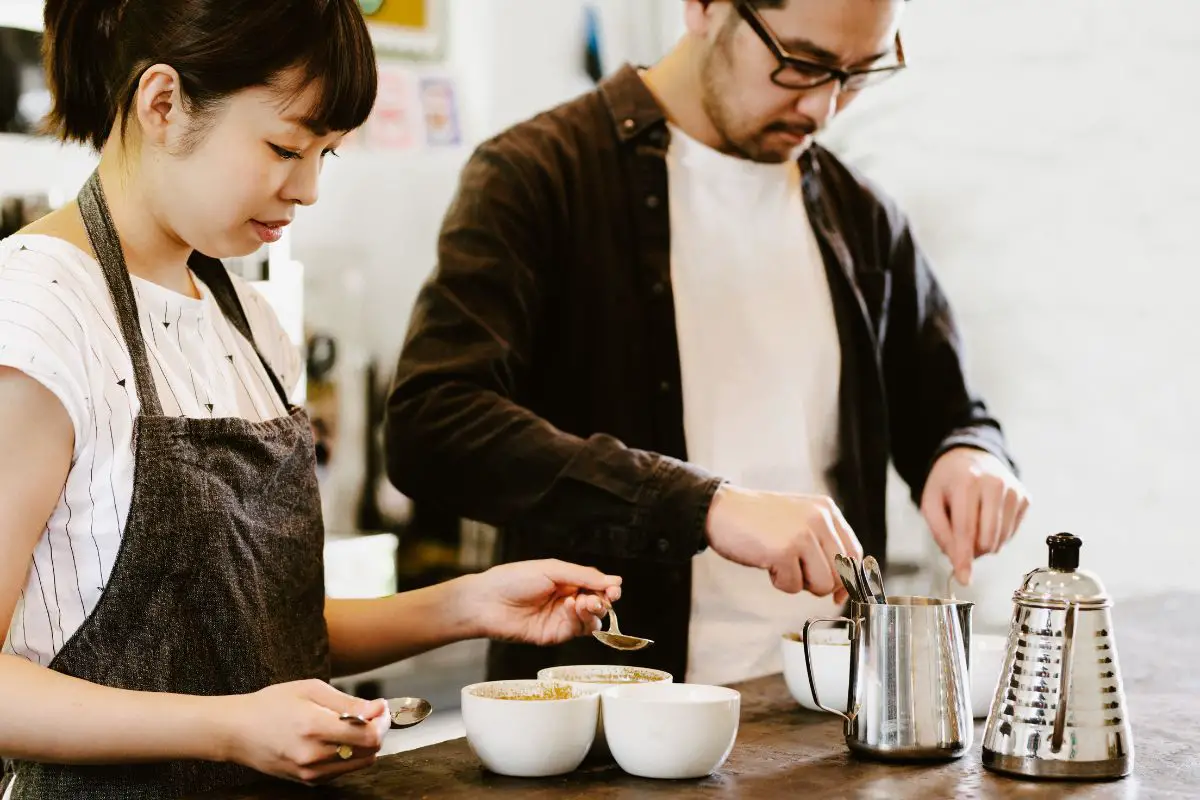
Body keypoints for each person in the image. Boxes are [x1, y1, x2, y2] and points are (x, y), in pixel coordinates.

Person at [0, 1, 622, 797]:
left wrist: (469, 604)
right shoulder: (37, 314)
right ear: (162, 103)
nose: (309, 189)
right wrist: (228, 728)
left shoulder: (247, 322)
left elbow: (263, 627)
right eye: (285, 147)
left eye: (328, 153)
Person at [384, 0, 1031, 688]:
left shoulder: (862, 218)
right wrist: (707, 507)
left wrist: (970, 456)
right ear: (703, 8)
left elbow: (952, 415)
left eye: (857, 74)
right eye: (801, 64)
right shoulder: (539, 176)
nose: (822, 108)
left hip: (824, 720)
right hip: (606, 731)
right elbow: (433, 427)